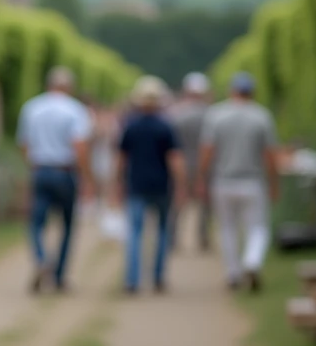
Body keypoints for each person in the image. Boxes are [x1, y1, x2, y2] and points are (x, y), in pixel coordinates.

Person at [198, 72, 280, 291]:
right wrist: (274, 183)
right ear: (252, 92)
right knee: (258, 229)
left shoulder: (216, 115)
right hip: (252, 181)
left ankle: (233, 274)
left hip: (223, 181)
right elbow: (270, 155)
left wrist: (202, 179)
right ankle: (251, 262)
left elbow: (207, 151)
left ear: (232, 90)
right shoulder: (262, 116)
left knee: (227, 229)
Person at [17, 66, 94, 292]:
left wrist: (34, 165)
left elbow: (23, 144)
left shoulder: (32, 107)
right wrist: (87, 178)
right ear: (68, 86)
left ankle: (41, 258)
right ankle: (59, 276)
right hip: (65, 171)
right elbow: (80, 147)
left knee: (36, 222)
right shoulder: (75, 110)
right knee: (67, 226)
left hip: (41, 169)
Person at [115, 76, 187, 293]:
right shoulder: (165, 127)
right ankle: (157, 277)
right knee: (162, 232)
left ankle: (132, 280)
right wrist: (182, 186)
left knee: (135, 233)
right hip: (161, 186)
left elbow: (121, 160)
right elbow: (174, 160)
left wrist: (116, 184)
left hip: (136, 185)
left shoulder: (130, 126)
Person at [167, 71, 213, 251]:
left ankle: (173, 239)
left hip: (181, 163)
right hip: (205, 164)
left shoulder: (176, 114)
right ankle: (203, 238)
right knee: (205, 204)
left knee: (178, 202)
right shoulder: (211, 114)